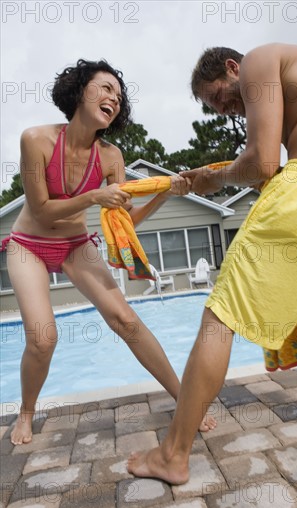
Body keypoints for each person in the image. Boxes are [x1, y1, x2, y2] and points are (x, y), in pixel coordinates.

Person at [127, 43, 297, 485]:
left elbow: (262, 161)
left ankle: (173, 455)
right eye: (214, 107)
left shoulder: (259, 58)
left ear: (232, 67)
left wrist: (213, 179)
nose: (222, 108)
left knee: (221, 314)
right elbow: (274, 164)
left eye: (216, 96)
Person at [4, 59, 216, 445]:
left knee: (126, 320)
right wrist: (94, 195)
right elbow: (39, 209)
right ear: (79, 90)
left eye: (118, 96)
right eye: (104, 88)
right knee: (43, 337)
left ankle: (184, 399)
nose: (112, 99)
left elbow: (127, 221)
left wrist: (167, 192)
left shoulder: (111, 156)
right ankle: (27, 412)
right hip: (28, 246)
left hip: (75, 245)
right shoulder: (35, 139)